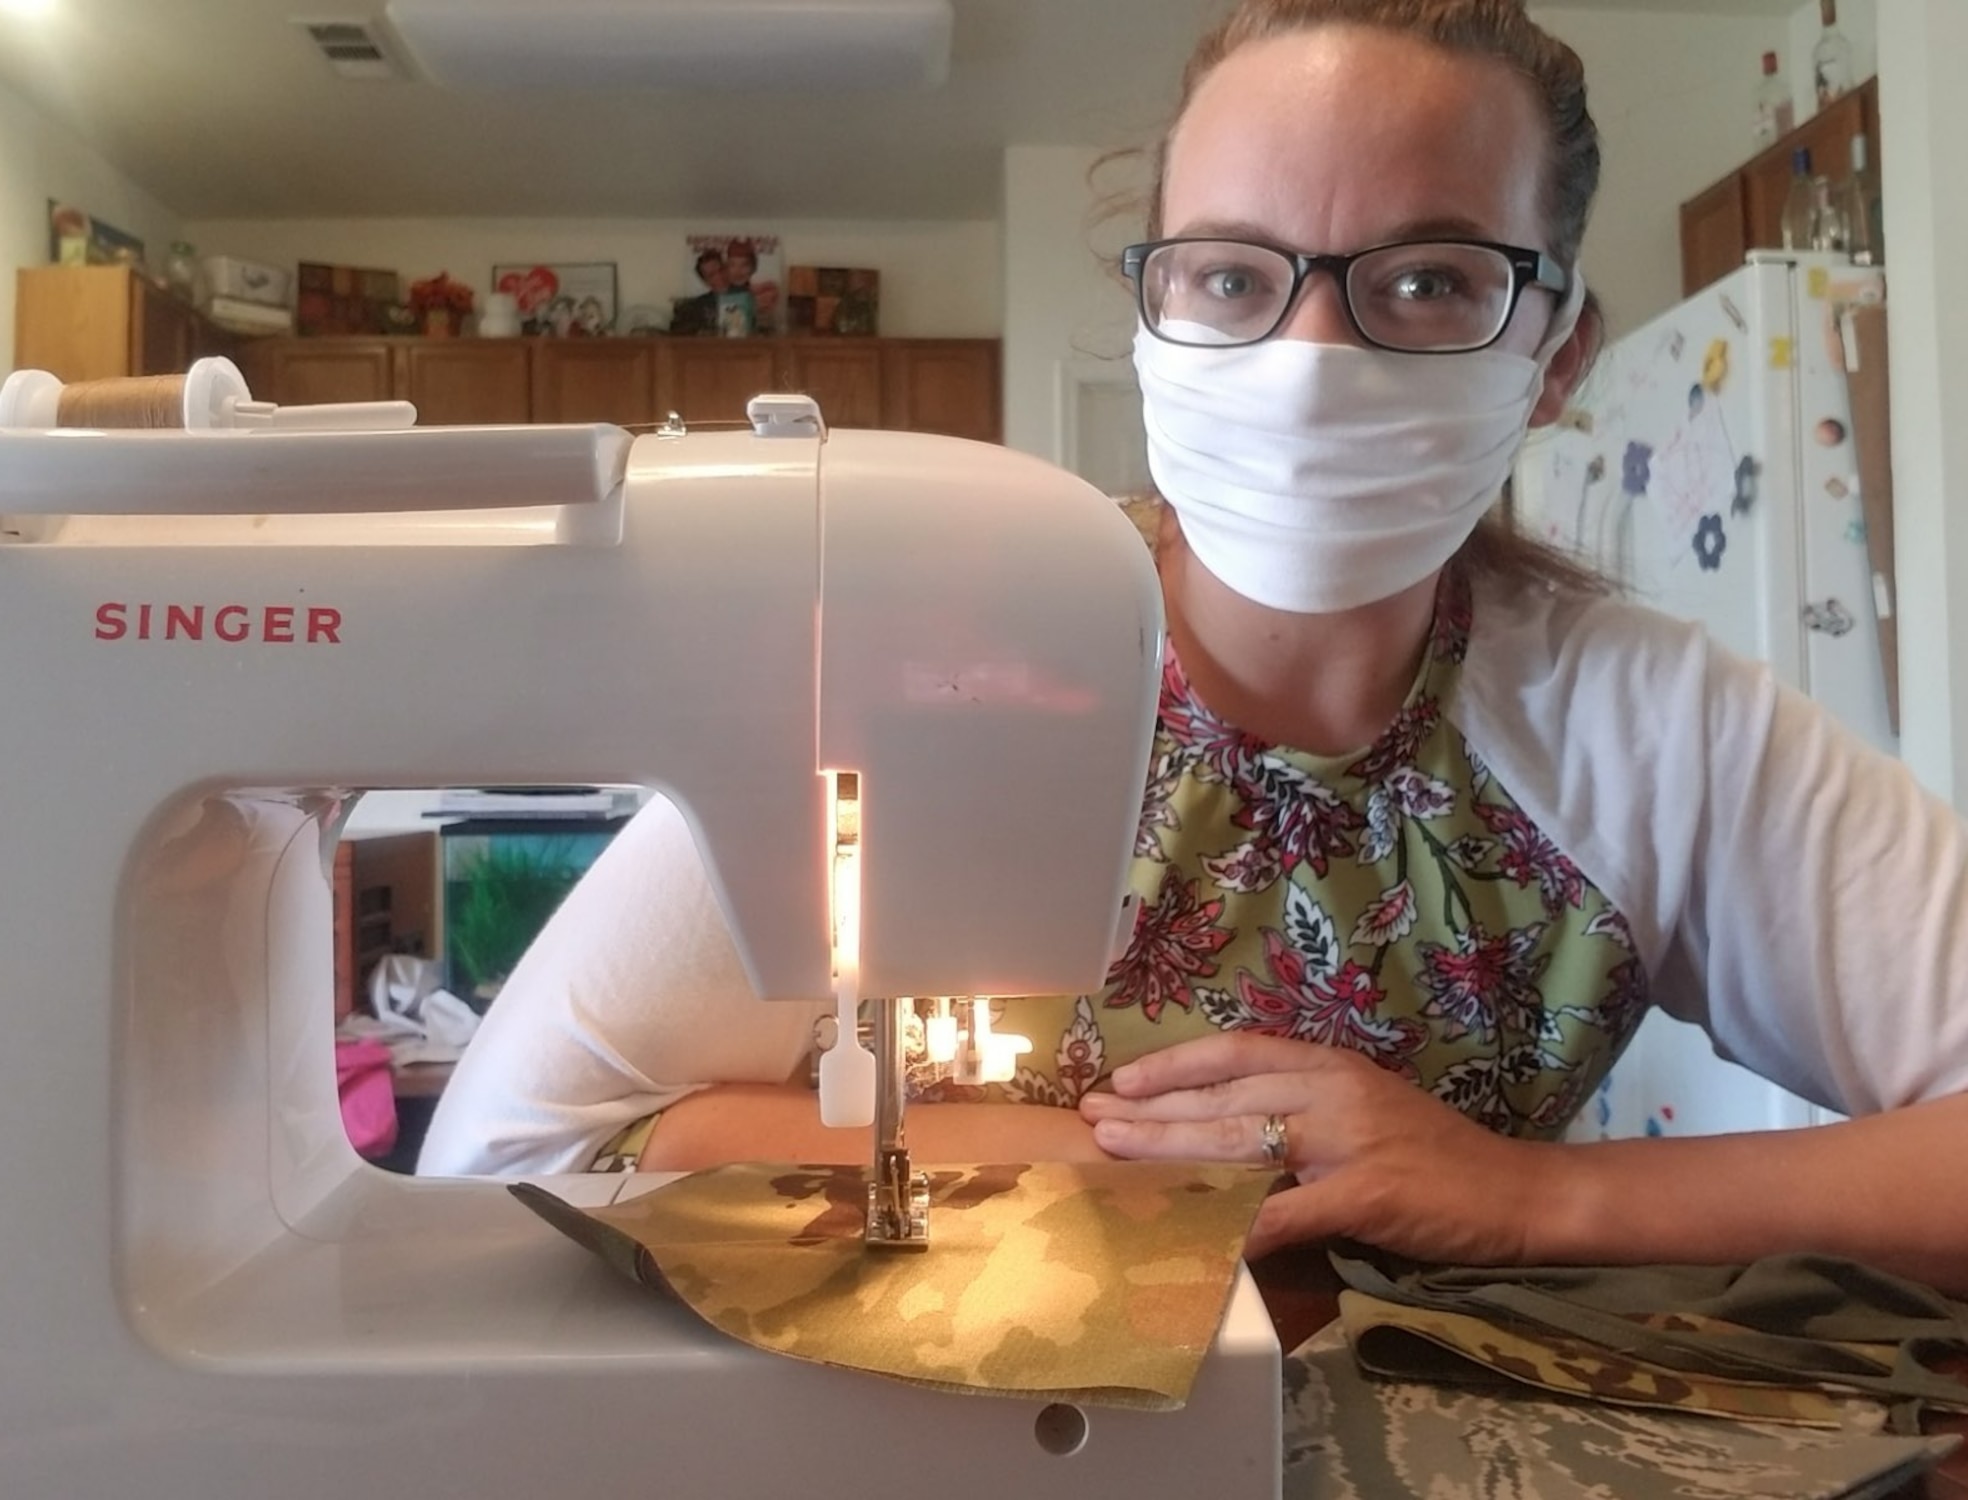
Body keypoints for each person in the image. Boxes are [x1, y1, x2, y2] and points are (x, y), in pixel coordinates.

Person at [422, 0, 1968, 1297]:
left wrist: (1522, 1199)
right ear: (1157, 312)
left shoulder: (1646, 732)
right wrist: (1120, 1166)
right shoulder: (920, 664)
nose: (1307, 365)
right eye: (1234, 277)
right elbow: (515, 1145)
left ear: (1555, 350)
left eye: (1428, 283)